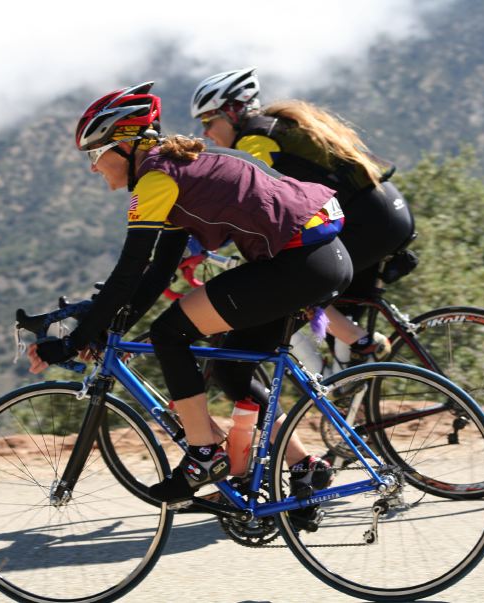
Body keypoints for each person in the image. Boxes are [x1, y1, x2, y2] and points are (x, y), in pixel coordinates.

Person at [26, 82, 351, 509]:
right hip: (320, 255)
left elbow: (129, 270)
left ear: (124, 147)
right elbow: (158, 268)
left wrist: (73, 341)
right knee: (232, 371)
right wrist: (105, 324)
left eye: (94, 155)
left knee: (169, 334)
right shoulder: (180, 167)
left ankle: (204, 454)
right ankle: (305, 465)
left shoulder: (157, 180)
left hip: (299, 261)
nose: (92, 168)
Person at [190, 67, 417, 364]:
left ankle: (359, 342)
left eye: (209, 120)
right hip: (380, 210)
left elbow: (246, 199)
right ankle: (351, 380)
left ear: (233, 112)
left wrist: (200, 241)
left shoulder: (255, 140)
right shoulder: (272, 127)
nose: (205, 132)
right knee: (336, 325)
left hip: (370, 219)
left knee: (296, 277)